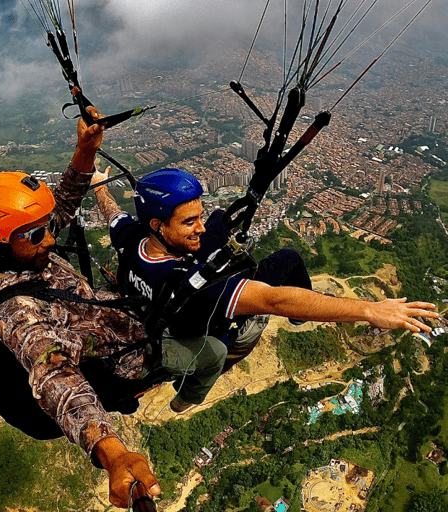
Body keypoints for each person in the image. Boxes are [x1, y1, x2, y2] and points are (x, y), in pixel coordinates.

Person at [0, 107, 177, 508]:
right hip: (113, 360)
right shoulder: (14, 311)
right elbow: (56, 375)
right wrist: (112, 452)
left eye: (45, 228)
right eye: (37, 233)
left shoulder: (21, 250)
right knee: (209, 341)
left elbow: (61, 206)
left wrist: (85, 150)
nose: (51, 240)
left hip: (110, 320)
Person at [93, 166, 439, 413]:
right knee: (215, 351)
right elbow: (276, 299)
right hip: (183, 328)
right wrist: (368, 310)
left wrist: (101, 187)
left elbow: (113, 214)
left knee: (285, 256)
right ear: (158, 225)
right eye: (189, 222)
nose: (199, 227)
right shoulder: (194, 287)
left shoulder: (132, 238)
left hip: (158, 299)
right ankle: (186, 399)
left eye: (199, 217)